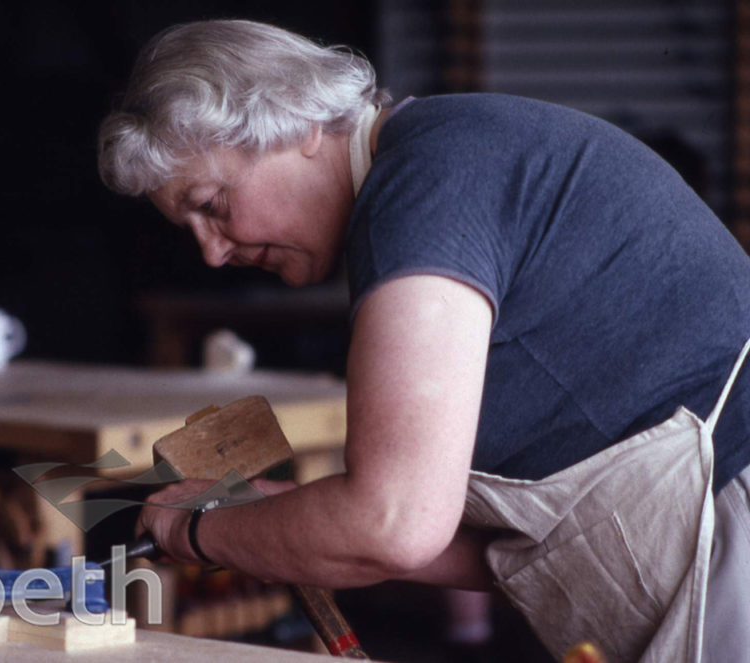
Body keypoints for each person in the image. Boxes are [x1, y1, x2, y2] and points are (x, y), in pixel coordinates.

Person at [98, 20, 750, 662]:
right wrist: (276, 523)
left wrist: (197, 529)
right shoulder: (444, 154)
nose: (211, 253)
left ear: (292, 126)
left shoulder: (422, 188)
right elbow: (503, 549)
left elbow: (392, 525)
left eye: (212, 204)